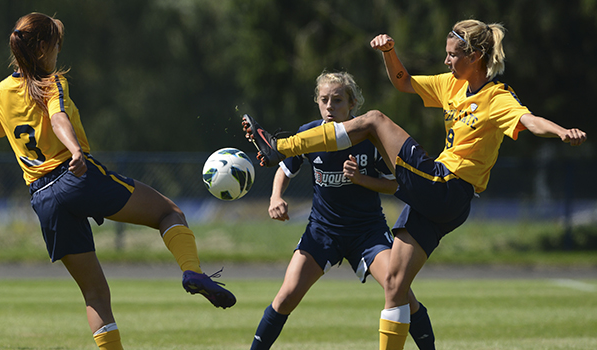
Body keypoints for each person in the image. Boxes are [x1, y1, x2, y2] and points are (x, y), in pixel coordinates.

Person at [242, 19, 587, 350]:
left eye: (453, 54)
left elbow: (529, 119)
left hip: (446, 184)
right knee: (395, 285)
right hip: (441, 204)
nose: (446, 60)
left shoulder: (497, 97)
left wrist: (561, 131)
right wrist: (389, 52)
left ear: (475, 57)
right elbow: (403, 81)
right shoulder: (452, 84)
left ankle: (279, 145)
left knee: (374, 120)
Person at [0, 12, 235, 350]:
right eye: (56, 46)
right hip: (74, 177)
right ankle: (192, 271)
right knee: (169, 213)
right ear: (41, 48)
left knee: (95, 294)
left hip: (43, 200)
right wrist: (74, 150)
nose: (58, 53)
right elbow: (58, 118)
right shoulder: (52, 82)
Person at [250, 71, 435, 350]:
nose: (329, 106)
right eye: (324, 100)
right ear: (317, 102)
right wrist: (275, 196)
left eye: (337, 100)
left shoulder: (369, 137)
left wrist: (362, 179)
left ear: (352, 105)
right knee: (286, 297)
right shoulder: (308, 134)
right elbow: (284, 168)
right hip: (322, 232)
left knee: (402, 295)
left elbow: (396, 184)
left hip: (367, 233)